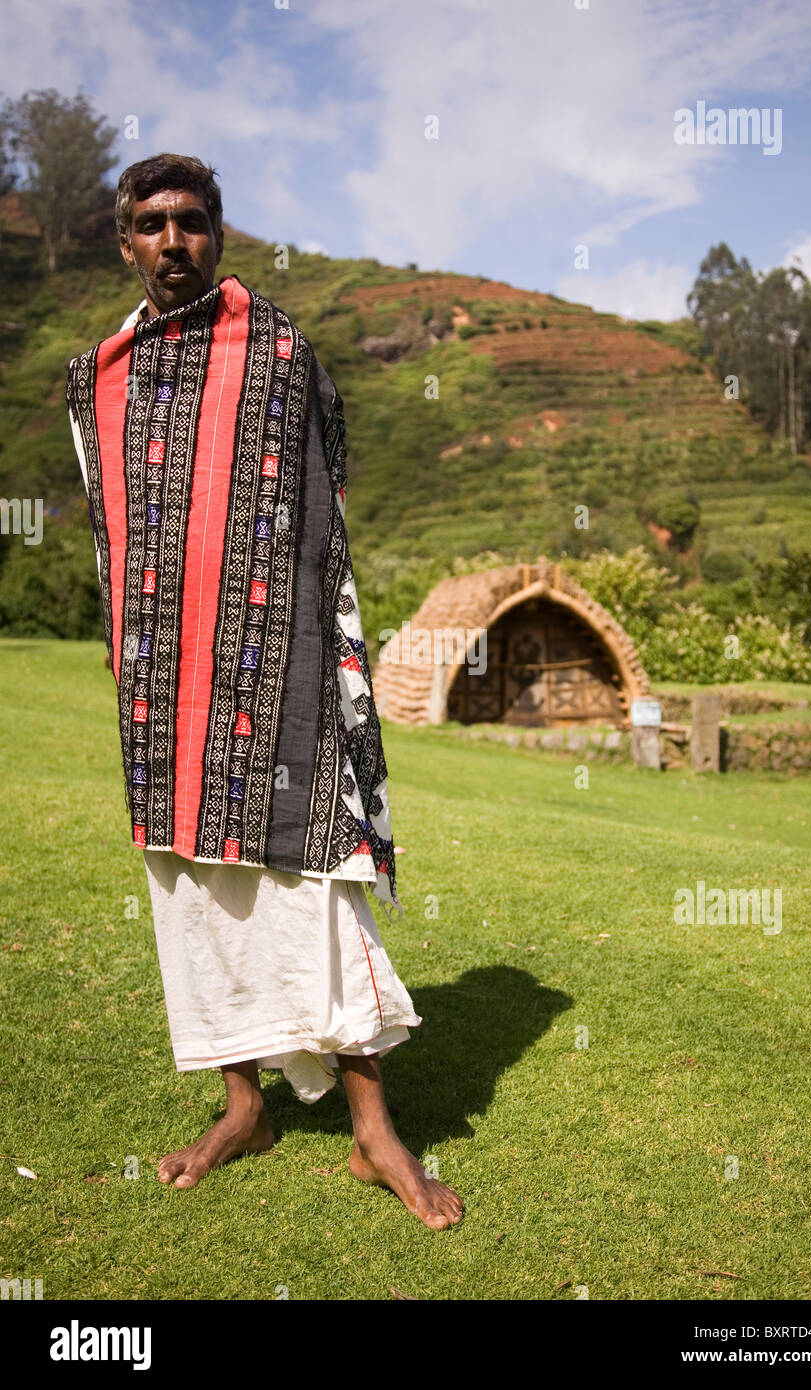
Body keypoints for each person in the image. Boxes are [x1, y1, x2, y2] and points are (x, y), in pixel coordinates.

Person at [66, 153, 463, 1230]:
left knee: (316, 889)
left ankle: (376, 1135)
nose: (172, 240)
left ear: (220, 234)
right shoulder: (97, 376)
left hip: (278, 674)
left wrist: (319, 650)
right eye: (150, 223)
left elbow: (323, 499)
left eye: (191, 221)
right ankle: (242, 1105)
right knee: (192, 897)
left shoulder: (281, 353)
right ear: (125, 241)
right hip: (162, 692)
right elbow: (115, 531)